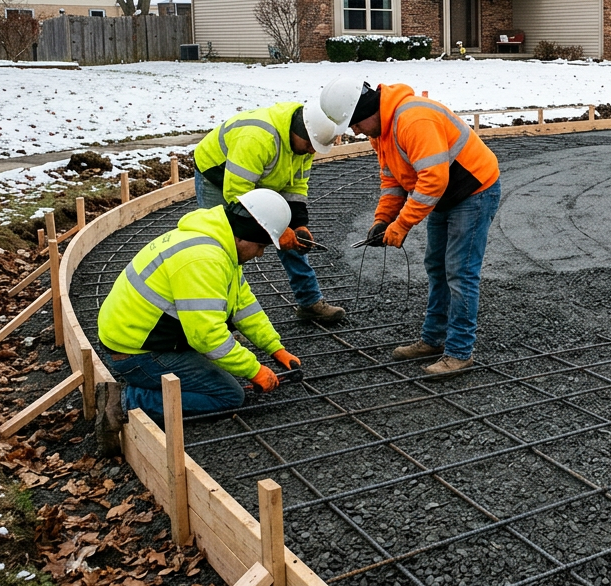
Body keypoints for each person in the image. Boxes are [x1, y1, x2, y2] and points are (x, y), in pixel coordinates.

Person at [93, 190, 302, 454]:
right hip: (136, 353)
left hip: (139, 335)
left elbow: (244, 305)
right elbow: (208, 337)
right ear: (243, 236)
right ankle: (125, 400)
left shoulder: (219, 243)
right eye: (260, 246)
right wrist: (254, 370)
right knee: (228, 395)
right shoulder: (204, 259)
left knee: (224, 360)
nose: (260, 254)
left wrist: (274, 347)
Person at [319, 78, 501, 377]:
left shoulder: (414, 119)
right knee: (436, 266)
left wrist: (402, 224)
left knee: (460, 271)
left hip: (474, 191)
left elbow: (433, 180)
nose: (356, 131)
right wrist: (383, 220)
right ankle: (433, 339)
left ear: (368, 110)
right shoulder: (381, 131)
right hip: (445, 196)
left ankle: (460, 352)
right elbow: (393, 179)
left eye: (355, 123)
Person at [193, 101, 345, 324]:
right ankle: (221, 318)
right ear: (298, 132)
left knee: (293, 238)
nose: (312, 151)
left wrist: (297, 225)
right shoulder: (257, 138)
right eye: (310, 145)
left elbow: (296, 186)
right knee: (225, 243)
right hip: (220, 174)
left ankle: (310, 301)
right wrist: (276, 230)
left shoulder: (307, 142)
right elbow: (238, 195)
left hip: (263, 172)